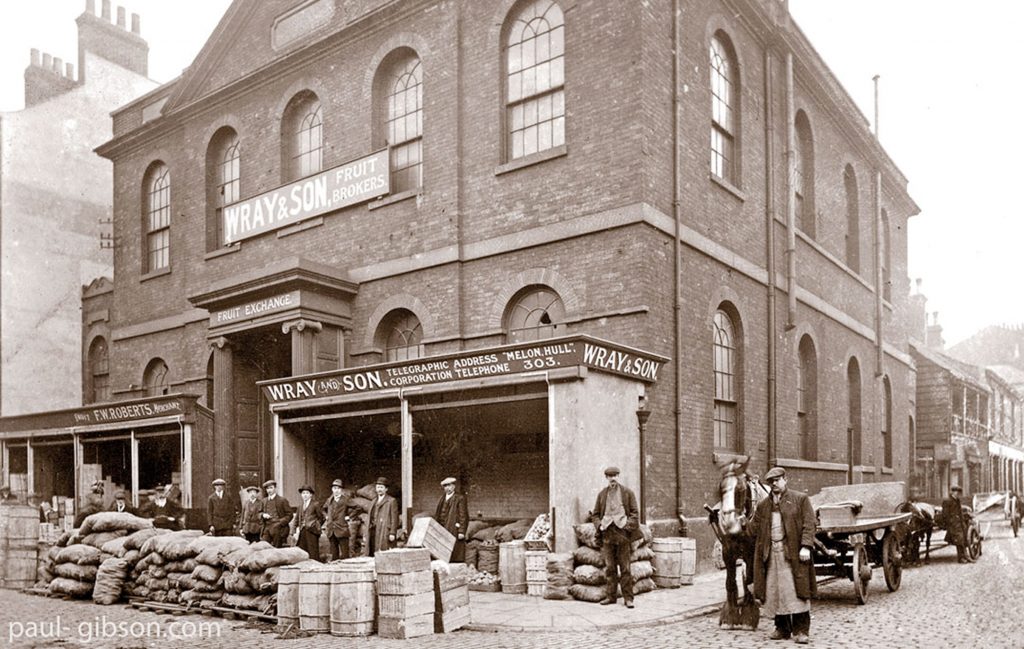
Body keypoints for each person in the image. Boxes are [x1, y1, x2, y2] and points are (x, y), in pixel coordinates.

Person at [750, 467, 816, 644]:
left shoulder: (800, 499)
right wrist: (739, 522)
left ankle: (801, 630)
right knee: (775, 591)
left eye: (777, 480)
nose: (774, 484)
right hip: (771, 555)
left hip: (793, 554)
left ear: (786, 480)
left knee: (796, 591)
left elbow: (810, 524)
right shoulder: (763, 506)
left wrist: (806, 547)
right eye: (771, 482)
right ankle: (782, 628)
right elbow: (753, 530)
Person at [589, 466, 641, 609]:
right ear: (606, 478)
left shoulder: (627, 493)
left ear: (618, 476)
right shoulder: (602, 494)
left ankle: (628, 599)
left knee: (625, 568)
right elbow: (595, 514)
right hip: (607, 535)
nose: (612, 478)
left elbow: (635, 513)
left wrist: (627, 526)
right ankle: (611, 597)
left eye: (615, 475)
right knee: (610, 568)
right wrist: (599, 525)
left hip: (622, 534)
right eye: (610, 476)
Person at [435, 477, 469, 562]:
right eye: (445, 486)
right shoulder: (442, 498)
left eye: (449, 485)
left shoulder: (459, 498)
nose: (447, 488)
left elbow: (463, 515)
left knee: (455, 549)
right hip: (443, 527)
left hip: (454, 527)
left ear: (454, 486)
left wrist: (461, 531)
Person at [322, 479, 355, 561]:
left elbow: (358, 508)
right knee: (334, 554)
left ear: (341, 490)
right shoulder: (329, 500)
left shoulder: (346, 499)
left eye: (338, 488)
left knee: (345, 554)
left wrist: (349, 516)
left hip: (342, 529)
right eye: (334, 488)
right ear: (332, 489)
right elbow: (323, 509)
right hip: (331, 530)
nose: (336, 490)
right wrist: (326, 516)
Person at [367, 477, 400, 556]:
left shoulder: (391, 501)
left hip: (384, 530)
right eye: (378, 487)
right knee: (372, 551)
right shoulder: (373, 501)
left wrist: (392, 532)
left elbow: (395, 518)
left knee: (384, 552)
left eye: (381, 487)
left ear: (386, 489)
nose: (379, 489)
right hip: (373, 530)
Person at [942, 485, 973, 563]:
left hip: (960, 523)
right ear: (952, 492)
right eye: (955, 492)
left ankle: (965, 556)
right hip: (953, 524)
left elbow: (960, 512)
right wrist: (951, 522)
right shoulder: (947, 501)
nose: (957, 493)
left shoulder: (957, 500)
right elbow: (945, 514)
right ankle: (961, 558)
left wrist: (962, 521)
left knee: (963, 539)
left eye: (958, 492)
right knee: (959, 540)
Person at [293, 485, 325, 560]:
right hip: (302, 530)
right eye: (303, 493)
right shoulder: (300, 506)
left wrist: (316, 525)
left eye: (307, 493)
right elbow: (296, 519)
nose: (305, 495)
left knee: (313, 551)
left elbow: (322, 517)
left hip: (312, 531)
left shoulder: (315, 504)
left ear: (311, 495)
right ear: (301, 495)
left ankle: (315, 565)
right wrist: (293, 531)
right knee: (303, 551)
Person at [259, 479, 292, 548]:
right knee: (264, 547)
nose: (269, 490)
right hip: (266, 528)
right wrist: (263, 515)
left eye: (271, 488)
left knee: (277, 548)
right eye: (267, 488)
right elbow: (259, 513)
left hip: (278, 528)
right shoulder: (264, 501)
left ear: (275, 488)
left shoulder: (282, 500)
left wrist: (280, 522)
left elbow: (289, 515)